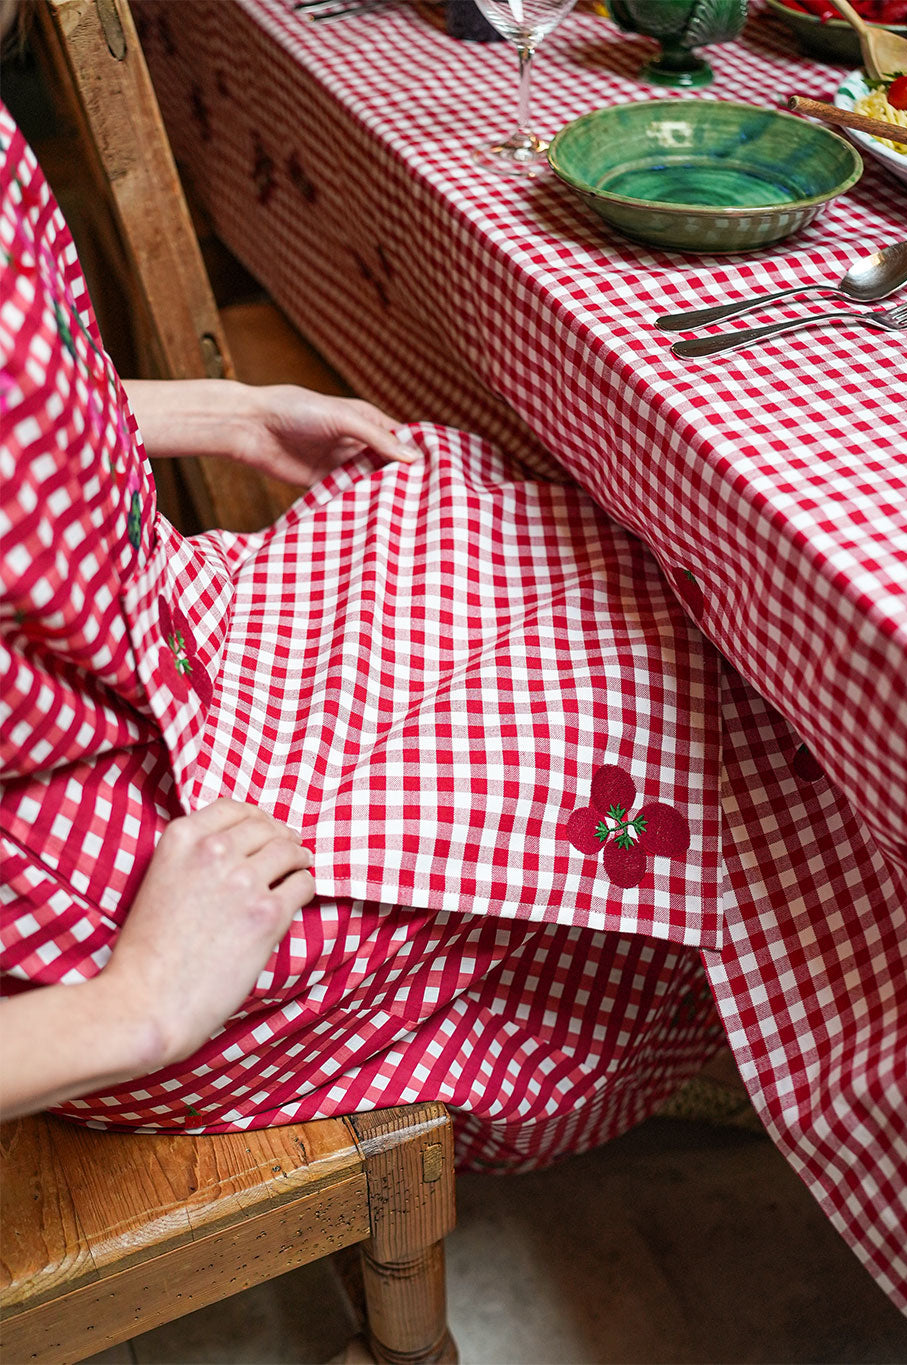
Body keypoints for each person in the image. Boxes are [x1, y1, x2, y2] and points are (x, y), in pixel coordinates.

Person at [0, 43, 724, 1164]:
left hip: (151, 656)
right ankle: (682, 1014)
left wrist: (218, 411)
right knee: (640, 740)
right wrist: (132, 1006)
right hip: (100, 910)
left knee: (515, 527)